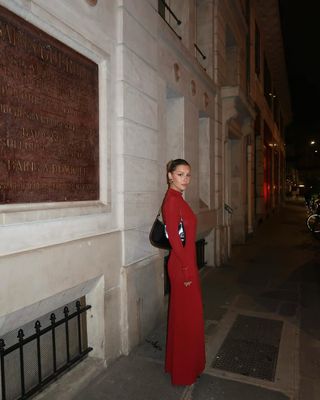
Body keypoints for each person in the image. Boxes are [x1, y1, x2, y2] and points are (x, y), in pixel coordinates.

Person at [161, 159, 206, 386]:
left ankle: (184, 364)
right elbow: (175, 242)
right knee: (186, 319)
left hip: (186, 264)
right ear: (170, 175)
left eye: (188, 175)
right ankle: (183, 371)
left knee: (186, 318)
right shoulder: (171, 201)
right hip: (181, 267)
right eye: (180, 174)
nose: (185, 179)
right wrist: (188, 270)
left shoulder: (179, 198)